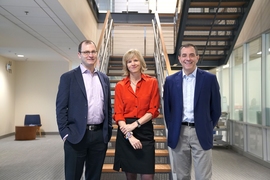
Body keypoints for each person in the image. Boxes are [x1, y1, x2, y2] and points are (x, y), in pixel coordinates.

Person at [163, 43, 221, 180]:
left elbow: (216, 109)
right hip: (179, 132)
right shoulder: (170, 81)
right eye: (184, 55)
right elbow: (168, 110)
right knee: (182, 176)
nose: (187, 58)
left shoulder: (209, 79)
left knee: (203, 176)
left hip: (200, 132)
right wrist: (173, 128)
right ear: (179, 58)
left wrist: (206, 126)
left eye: (191, 55)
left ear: (197, 57)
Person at [56, 40, 112, 180]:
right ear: (79, 54)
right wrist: (65, 133)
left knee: (94, 177)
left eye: (93, 51)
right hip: (76, 136)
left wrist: (108, 131)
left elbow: (107, 108)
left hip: (99, 136)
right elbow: (61, 108)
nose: (90, 55)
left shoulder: (104, 79)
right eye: (86, 52)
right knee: (73, 176)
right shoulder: (68, 77)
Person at [113, 49, 160, 180]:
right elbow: (118, 114)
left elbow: (153, 110)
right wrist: (129, 135)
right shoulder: (120, 85)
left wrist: (134, 125)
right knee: (130, 176)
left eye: (135, 60)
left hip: (144, 130)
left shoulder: (152, 82)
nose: (132, 63)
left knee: (148, 177)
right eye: (129, 61)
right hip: (126, 132)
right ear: (126, 65)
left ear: (141, 62)